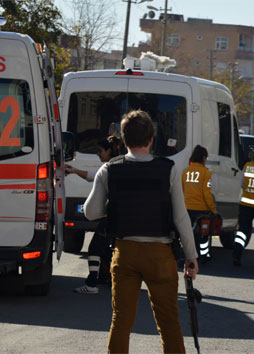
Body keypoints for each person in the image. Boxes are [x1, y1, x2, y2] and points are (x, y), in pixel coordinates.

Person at [83, 109, 198, 353]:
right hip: (160, 254)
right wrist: (191, 256)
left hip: (125, 252)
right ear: (151, 138)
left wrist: (115, 204)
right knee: (168, 323)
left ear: (123, 139)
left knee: (121, 321)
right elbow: (180, 216)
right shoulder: (169, 169)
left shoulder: (109, 170)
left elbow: (91, 213)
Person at [66, 136, 122, 294]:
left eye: (100, 151)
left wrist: (88, 210)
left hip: (109, 216)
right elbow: (93, 174)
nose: (98, 154)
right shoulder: (121, 165)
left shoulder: (110, 167)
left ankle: (91, 284)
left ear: (109, 150)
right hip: (121, 216)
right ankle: (106, 277)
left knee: (94, 249)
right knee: (106, 250)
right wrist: (75, 171)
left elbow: (94, 177)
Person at [181, 145, 217, 264]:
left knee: (188, 234)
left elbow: (181, 191)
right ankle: (203, 256)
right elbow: (207, 194)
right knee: (204, 234)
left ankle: (186, 255)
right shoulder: (206, 173)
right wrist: (213, 209)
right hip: (201, 210)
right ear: (203, 158)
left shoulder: (185, 172)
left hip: (187, 209)